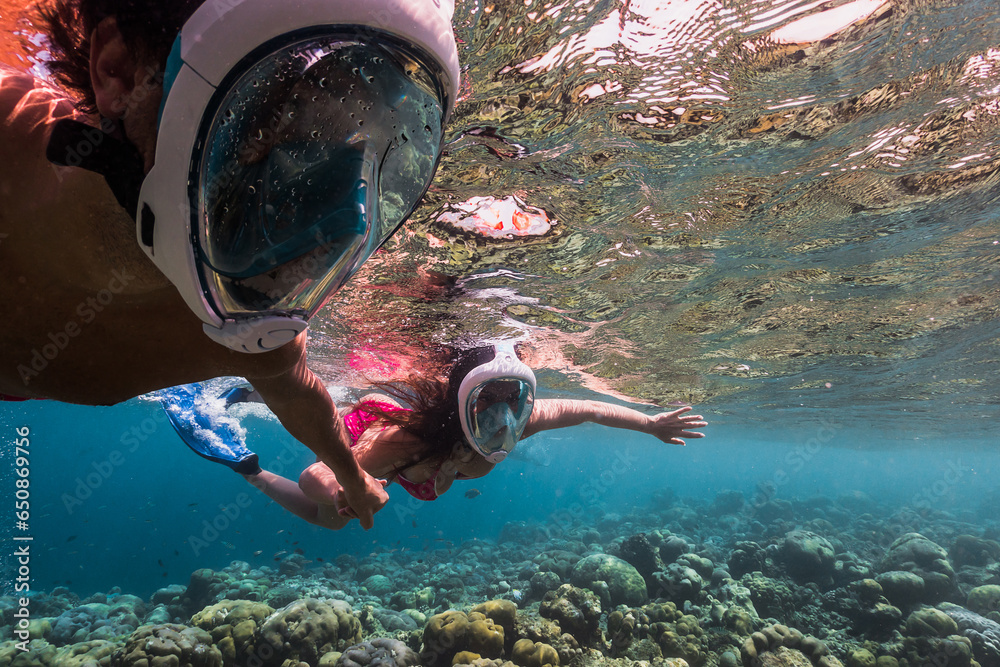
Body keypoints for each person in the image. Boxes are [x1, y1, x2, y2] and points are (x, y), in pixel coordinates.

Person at [0, 0, 461, 528]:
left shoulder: (253, 327)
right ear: (121, 70)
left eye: (345, 169)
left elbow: (301, 398)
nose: (343, 228)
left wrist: (353, 478)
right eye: (283, 143)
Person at [163, 342, 708, 529]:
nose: (502, 426)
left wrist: (650, 423)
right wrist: (346, 488)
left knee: (329, 525)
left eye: (512, 409)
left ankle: (248, 463)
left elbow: (585, 408)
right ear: (461, 408)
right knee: (325, 513)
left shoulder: (516, 425)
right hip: (374, 431)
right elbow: (315, 473)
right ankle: (248, 410)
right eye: (487, 410)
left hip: (408, 467)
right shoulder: (403, 441)